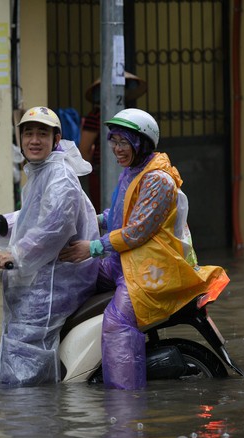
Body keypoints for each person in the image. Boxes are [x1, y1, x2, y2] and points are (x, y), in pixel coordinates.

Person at [60, 108, 230, 390]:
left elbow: (137, 230)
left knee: (118, 323)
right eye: (113, 141)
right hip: (123, 261)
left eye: (123, 142)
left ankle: (125, 406)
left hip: (150, 269)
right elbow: (118, 215)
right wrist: (87, 220)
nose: (116, 148)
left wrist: (91, 247)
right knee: (72, 277)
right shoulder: (133, 171)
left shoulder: (158, 180)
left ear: (142, 143)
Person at [0, 106, 99, 387]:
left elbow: (52, 228)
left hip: (60, 278)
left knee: (24, 347)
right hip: (44, 272)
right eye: (28, 133)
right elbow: (29, 216)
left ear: (56, 140)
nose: (33, 140)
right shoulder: (42, 173)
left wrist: (14, 254)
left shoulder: (61, 178)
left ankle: (31, 414)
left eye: (42, 134)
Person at [79, 72, 148, 209]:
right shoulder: (96, 115)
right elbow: (84, 150)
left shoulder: (128, 115)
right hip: (101, 175)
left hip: (130, 171)